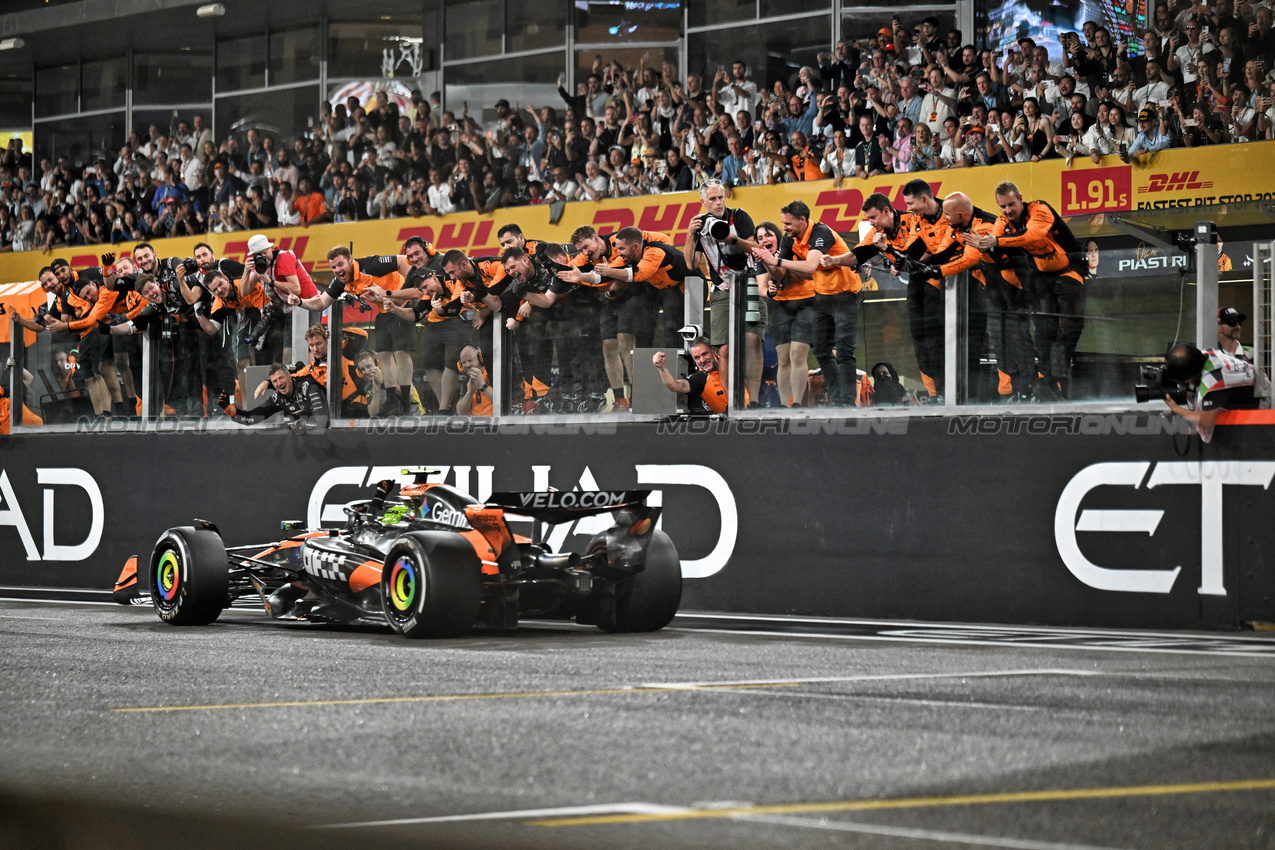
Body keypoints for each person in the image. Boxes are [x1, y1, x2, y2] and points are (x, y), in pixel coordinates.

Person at [967, 181, 1086, 401]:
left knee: (1070, 326)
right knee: (1043, 333)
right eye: (1002, 207)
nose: (1007, 211)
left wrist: (997, 241)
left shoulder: (1040, 209)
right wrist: (983, 248)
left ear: (1020, 198)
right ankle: (1046, 386)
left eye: (1011, 204)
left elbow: (1033, 236)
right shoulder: (1003, 223)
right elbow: (997, 252)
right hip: (1041, 280)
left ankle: (1050, 380)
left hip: (1069, 271)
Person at [751, 199, 861, 406]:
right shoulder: (788, 239)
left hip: (844, 293)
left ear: (802, 220)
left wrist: (776, 261)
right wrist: (769, 262)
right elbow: (778, 274)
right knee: (820, 351)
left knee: (842, 351)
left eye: (788, 224)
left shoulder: (821, 232)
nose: (785, 227)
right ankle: (836, 400)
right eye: (783, 223)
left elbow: (810, 266)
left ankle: (847, 402)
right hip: (822, 295)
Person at [683, 179, 763, 407]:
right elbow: (690, 264)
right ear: (703, 202)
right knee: (724, 349)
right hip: (720, 290)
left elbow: (756, 247)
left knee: (753, 341)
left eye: (721, 197)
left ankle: (754, 400)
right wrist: (690, 235)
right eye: (713, 199)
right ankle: (733, 403)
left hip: (749, 286)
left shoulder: (738, 216)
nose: (718, 203)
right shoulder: (699, 225)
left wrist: (730, 238)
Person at [1162, 340, 1261, 443]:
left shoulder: (1212, 385)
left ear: (1188, 379)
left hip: (1259, 416)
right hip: (1257, 388)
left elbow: (1207, 421)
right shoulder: (1207, 355)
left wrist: (1175, 408)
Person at [218, 361, 329, 433]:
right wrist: (229, 409)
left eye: (281, 378)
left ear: (289, 375)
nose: (279, 383)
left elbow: (321, 422)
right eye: (274, 381)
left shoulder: (307, 386)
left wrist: (299, 424)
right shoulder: (278, 398)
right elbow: (250, 418)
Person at [651, 338, 727, 415]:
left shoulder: (732, 363)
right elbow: (674, 386)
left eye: (705, 354)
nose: (702, 360)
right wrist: (661, 367)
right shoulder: (700, 378)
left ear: (713, 351)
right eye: (697, 358)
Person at [456, 345, 493, 416]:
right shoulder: (467, 381)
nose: (467, 365)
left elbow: (501, 403)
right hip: (474, 423)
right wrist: (469, 393)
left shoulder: (492, 374)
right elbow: (460, 412)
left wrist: (483, 386)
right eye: (464, 362)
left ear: (480, 358)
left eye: (470, 360)